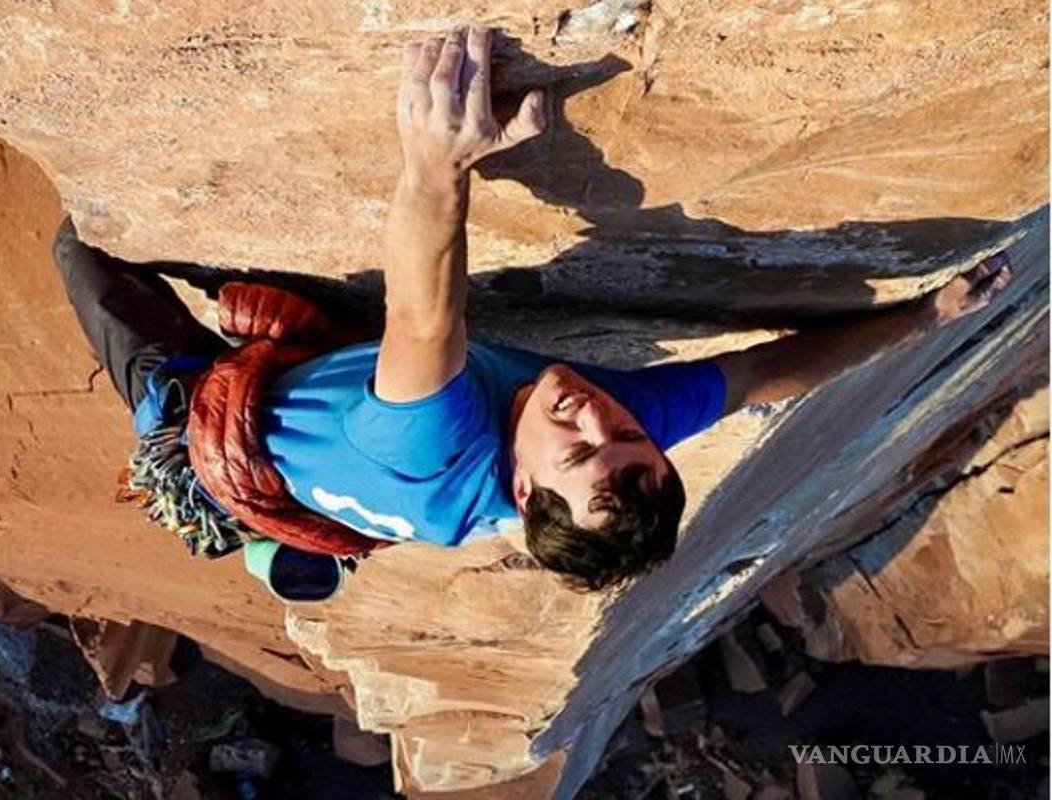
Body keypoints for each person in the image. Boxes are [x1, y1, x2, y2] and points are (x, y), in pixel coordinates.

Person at [54, 27, 1013, 594]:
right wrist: (926, 319)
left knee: (83, 251)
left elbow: (428, 323)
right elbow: (768, 373)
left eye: (584, 454)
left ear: (525, 494)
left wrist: (437, 160)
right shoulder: (616, 437)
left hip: (229, 434)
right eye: (628, 435)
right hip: (339, 426)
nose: (597, 415)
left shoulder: (443, 448)